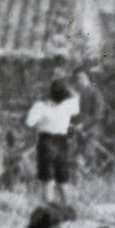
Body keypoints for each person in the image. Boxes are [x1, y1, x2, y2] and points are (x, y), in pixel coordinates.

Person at [26, 77, 79, 207]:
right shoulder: (68, 106)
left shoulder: (40, 106)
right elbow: (76, 97)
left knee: (47, 178)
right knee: (63, 178)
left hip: (46, 141)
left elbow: (29, 122)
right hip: (62, 141)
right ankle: (66, 208)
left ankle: (49, 208)